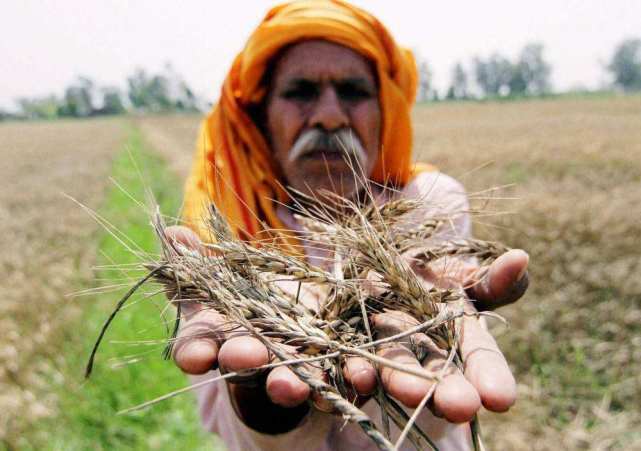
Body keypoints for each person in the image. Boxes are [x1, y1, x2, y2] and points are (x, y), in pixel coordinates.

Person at [165, 1, 530, 449]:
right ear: (262, 117)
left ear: (385, 111)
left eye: (354, 91)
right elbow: (236, 427)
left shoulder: (428, 202)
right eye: (300, 91)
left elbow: (431, 418)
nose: (330, 117)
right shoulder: (227, 220)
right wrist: (259, 391)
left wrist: (415, 317)